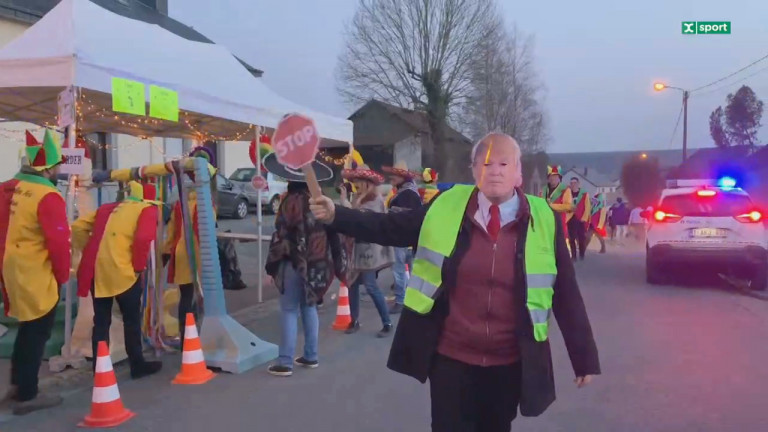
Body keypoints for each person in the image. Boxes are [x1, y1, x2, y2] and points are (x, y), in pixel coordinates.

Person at [309, 133, 600, 432]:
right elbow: (390, 228)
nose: (495, 170)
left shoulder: (544, 219)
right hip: (452, 359)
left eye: (503, 163)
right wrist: (336, 215)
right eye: (485, 164)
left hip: (508, 363)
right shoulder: (446, 206)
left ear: (518, 173)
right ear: (474, 171)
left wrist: (584, 357)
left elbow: (566, 292)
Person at [0, 130, 70, 415]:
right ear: (47, 167)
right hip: (36, 273)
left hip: (9, 267)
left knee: (26, 328)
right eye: (56, 167)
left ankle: (18, 386)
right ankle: (28, 394)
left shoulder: (7, 187)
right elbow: (58, 243)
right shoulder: (48, 195)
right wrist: (63, 276)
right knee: (36, 331)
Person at [263, 154, 347, 377]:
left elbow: (281, 235)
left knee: (289, 310)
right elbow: (332, 233)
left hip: (292, 263)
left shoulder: (288, 202)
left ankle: (285, 362)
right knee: (309, 307)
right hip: (317, 264)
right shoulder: (319, 201)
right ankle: (311, 356)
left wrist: (271, 266)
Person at [72, 181, 163, 380]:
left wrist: (88, 247)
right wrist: (139, 266)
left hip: (97, 270)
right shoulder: (145, 209)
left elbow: (78, 226)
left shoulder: (106, 209)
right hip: (123, 272)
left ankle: (100, 370)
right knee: (131, 320)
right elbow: (143, 239)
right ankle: (137, 365)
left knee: (101, 322)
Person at [162, 149, 217, 348]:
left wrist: (166, 253)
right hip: (202, 256)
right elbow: (208, 232)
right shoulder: (206, 204)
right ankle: (203, 335)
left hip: (181, 254)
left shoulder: (180, 204)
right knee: (205, 296)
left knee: (185, 296)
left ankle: (186, 336)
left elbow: (171, 232)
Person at [338, 164, 394, 337]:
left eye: (358, 181)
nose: (355, 184)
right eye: (355, 181)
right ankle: (354, 320)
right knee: (353, 284)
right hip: (357, 249)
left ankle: (387, 322)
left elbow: (361, 219)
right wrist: (346, 198)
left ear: (367, 183)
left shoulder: (375, 201)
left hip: (369, 251)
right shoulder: (359, 198)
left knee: (371, 286)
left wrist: (350, 206)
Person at [381, 161, 422, 314]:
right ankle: (412, 300)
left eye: (395, 175)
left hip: (402, 238)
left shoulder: (407, 194)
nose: (392, 177)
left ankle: (401, 300)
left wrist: (390, 214)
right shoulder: (406, 192)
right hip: (408, 238)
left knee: (399, 270)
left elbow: (407, 216)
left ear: (402, 178)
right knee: (409, 270)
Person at [542, 165, 574, 240]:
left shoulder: (565, 190)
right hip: (545, 223)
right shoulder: (543, 190)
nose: (553, 178)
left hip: (559, 223)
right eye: (551, 176)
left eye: (555, 176)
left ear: (559, 178)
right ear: (548, 178)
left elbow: (568, 206)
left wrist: (552, 206)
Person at [568, 177, 591, 261]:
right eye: (571, 183)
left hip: (580, 218)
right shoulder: (568, 193)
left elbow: (587, 207)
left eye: (574, 183)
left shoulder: (584, 194)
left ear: (578, 183)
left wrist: (584, 217)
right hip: (570, 218)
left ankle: (582, 253)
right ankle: (573, 256)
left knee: (581, 238)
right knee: (571, 238)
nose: (573, 184)